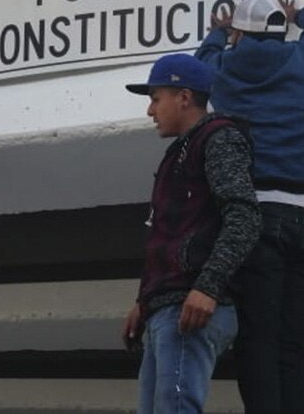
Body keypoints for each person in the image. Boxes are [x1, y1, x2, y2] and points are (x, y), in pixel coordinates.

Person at [195, 0, 304, 414]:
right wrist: (301, 16)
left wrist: (216, 33)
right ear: (281, 30)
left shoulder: (224, 71)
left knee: (258, 343)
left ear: (238, 34)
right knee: (293, 349)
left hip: (259, 220)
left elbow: (202, 62)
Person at [122, 53, 261, 414]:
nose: (150, 111)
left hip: (189, 309)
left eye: (155, 98)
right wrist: (145, 300)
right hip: (168, 308)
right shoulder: (180, 152)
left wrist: (207, 287)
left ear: (183, 97)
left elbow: (245, 216)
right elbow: (167, 235)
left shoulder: (218, 139)